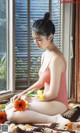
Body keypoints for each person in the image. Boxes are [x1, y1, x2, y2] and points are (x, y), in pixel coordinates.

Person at [5, 12, 69, 124]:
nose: (36, 43)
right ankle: (46, 116)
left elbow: (53, 94)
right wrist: (23, 93)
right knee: (9, 107)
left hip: (57, 103)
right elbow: (41, 81)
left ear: (50, 37)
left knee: (11, 115)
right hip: (47, 101)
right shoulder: (45, 55)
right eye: (34, 39)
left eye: (39, 39)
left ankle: (55, 119)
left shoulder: (56, 59)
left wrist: (32, 100)